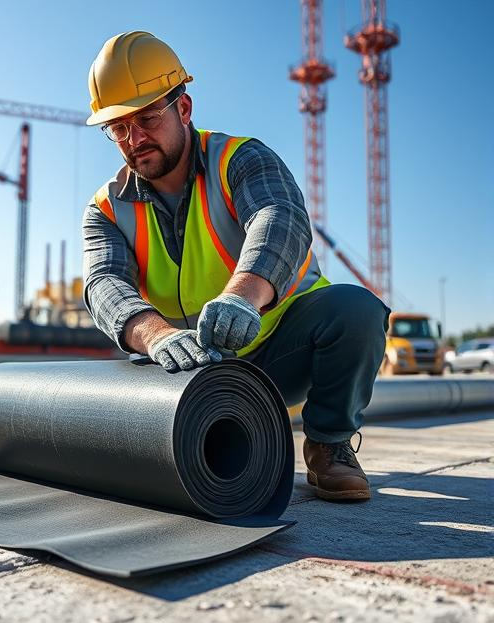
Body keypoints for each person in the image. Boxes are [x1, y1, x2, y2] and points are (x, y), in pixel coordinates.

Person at [82, 31, 390, 501]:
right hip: (184, 366)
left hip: (274, 354)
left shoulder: (239, 159)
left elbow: (279, 218)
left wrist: (241, 297)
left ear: (183, 109)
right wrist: (155, 335)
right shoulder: (107, 208)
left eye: (147, 118)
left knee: (356, 311)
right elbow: (104, 283)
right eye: (118, 128)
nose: (134, 138)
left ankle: (328, 446)